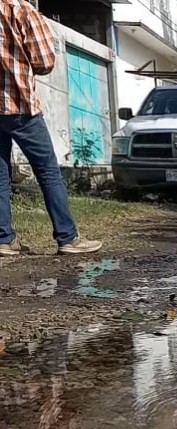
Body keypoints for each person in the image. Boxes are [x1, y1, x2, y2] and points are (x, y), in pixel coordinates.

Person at [0, 0, 102, 257]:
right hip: (21, 106)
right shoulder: (20, 9)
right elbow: (45, 62)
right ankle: (67, 237)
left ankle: (4, 239)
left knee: (0, 176)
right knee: (48, 172)